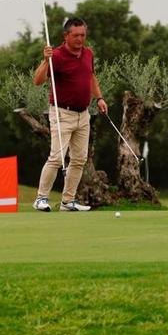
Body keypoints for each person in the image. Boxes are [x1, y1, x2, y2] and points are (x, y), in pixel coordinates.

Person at [32, 17, 108, 212]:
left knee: (79, 159)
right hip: (61, 113)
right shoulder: (56, 56)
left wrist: (99, 98)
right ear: (66, 36)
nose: (80, 39)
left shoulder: (88, 54)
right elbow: (37, 81)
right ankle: (41, 198)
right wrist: (45, 60)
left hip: (83, 114)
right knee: (57, 158)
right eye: (76, 35)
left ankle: (68, 201)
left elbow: (91, 77)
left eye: (83, 35)